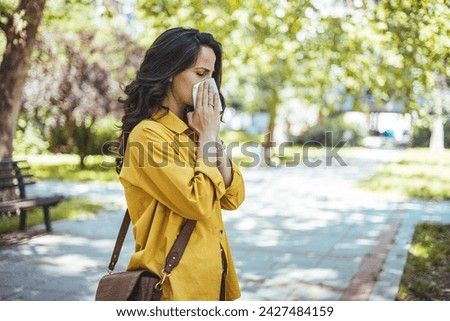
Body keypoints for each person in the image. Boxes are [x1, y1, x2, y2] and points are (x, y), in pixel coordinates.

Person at [117, 27, 245, 301]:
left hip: (213, 279)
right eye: (200, 74)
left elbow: (233, 197)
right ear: (171, 72)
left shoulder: (195, 131)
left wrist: (208, 134)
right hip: (174, 287)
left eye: (212, 76)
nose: (208, 86)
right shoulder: (148, 134)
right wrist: (209, 135)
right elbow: (197, 202)